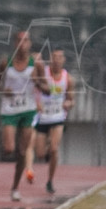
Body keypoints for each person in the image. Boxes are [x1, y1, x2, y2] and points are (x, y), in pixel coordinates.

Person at [0, 30, 47, 202]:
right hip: (9, 110)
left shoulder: (36, 65)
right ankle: (17, 167)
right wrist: (4, 90)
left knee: (23, 151)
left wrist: (37, 82)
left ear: (30, 44)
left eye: (26, 41)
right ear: (15, 44)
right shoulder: (6, 62)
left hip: (28, 110)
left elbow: (47, 89)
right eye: (19, 41)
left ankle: (15, 187)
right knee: (9, 148)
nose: (23, 44)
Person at [33, 48, 74, 194]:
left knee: (55, 149)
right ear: (50, 59)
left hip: (58, 117)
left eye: (60, 57)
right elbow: (33, 79)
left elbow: (71, 99)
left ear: (63, 60)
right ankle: (47, 149)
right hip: (42, 117)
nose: (57, 60)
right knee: (40, 154)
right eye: (54, 57)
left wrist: (68, 104)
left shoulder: (67, 78)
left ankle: (50, 181)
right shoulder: (43, 72)